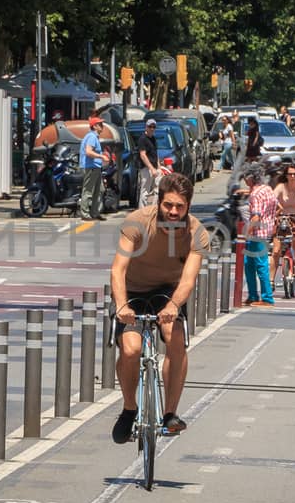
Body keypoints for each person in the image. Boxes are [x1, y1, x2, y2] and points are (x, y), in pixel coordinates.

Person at [109, 171, 210, 443]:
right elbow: (118, 270)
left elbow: (188, 279)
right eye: (168, 205)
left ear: (188, 205)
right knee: (131, 349)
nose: (174, 211)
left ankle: (170, 414)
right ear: (159, 202)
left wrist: (174, 305)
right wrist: (121, 305)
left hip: (169, 291)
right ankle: (129, 408)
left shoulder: (197, 233)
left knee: (174, 338)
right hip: (132, 290)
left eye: (180, 206)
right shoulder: (138, 222)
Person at [237, 163, 277, 307]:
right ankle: (253, 295)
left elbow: (256, 217)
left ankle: (267, 298)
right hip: (266, 231)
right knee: (249, 264)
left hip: (257, 233)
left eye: (245, 178)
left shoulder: (255, 194)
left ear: (251, 178)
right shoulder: (267, 189)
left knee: (260, 265)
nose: (245, 180)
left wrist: (244, 235)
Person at [79, 117, 108, 221]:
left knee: (99, 190)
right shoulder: (91, 137)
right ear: (94, 126)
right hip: (90, 167)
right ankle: (85, 213)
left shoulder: (94, 137)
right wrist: (101, 157)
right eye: (100, 124)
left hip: (96, 167)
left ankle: (95, 212)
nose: (102, 126)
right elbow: (88, 152)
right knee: (88, 191)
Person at [135, 119, 161, 208]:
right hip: (146, 168)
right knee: (145, 190)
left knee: (158, 188)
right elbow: (143, 155)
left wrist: (158, 167)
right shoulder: (142, 139)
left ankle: (154, 208)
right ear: (146, 127)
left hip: (155, 168)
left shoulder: (153, 139)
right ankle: (142, 211)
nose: (152, 129)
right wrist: (151, 168)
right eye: (150, 127)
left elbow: (155, 153)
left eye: (154, 127)